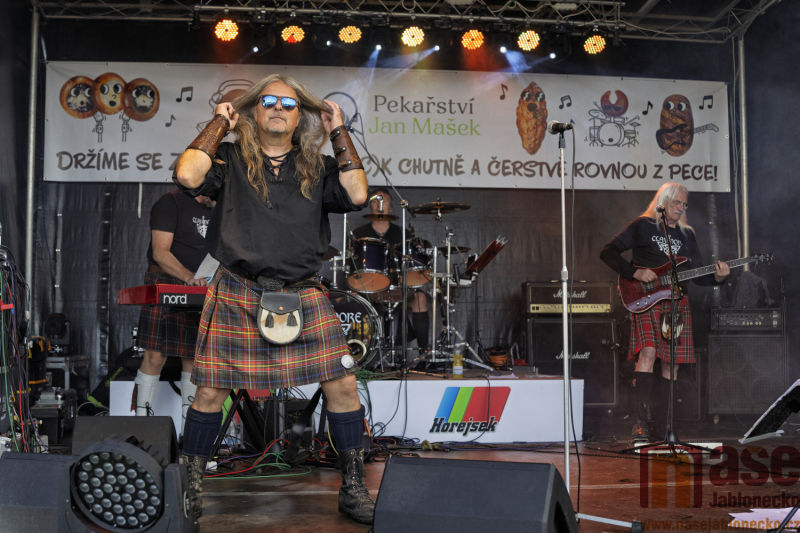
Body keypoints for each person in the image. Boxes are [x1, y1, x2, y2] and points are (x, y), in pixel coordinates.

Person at [173, 74, 373, 524]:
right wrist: (219, 124)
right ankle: (190, 486)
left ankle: (353, 487)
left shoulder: (319, 166)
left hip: (303, 290)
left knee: (343, 385)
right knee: (210, 390)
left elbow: (358, 193)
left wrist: (339, 131)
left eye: (288, 103)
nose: (278, 108)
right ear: (253, 112)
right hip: (238, 288)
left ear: (300, 116)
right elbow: (187, 174)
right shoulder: (228, 158)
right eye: (268, 101)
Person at [600, 183, 729, 441]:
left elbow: (697, 274)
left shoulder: (686, 234)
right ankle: (640, 423)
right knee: (648, 352)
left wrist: (718, 278)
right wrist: (634, 272)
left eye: (684, 204)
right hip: (646, 298)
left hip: (677, 301)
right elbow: (607, 252)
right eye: (676, 203)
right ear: (663, 202)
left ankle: (663, 426)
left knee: (672, 362)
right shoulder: (643, 225)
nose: (681, 208)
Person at [132, 190, 214, 438]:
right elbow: (160, 252)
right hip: (166, 282)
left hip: (201, 286)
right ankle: (142, 432)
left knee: (193, 358)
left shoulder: (217, 209)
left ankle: (188, 438)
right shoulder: (170, 203)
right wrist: (189, 277)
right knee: (155, 356)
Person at [352, 187, 430, 352]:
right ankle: (361, 353)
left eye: (384, 201)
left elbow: (412, 265)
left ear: (391, 207)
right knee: (353, 298)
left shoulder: (403, 234)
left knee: (421, 298)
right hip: (370, 289)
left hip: (399, 287)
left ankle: (424, 354)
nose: (379, 204)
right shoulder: (359, 234)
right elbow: (353, 267)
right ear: (370, 206)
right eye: (375, 201)